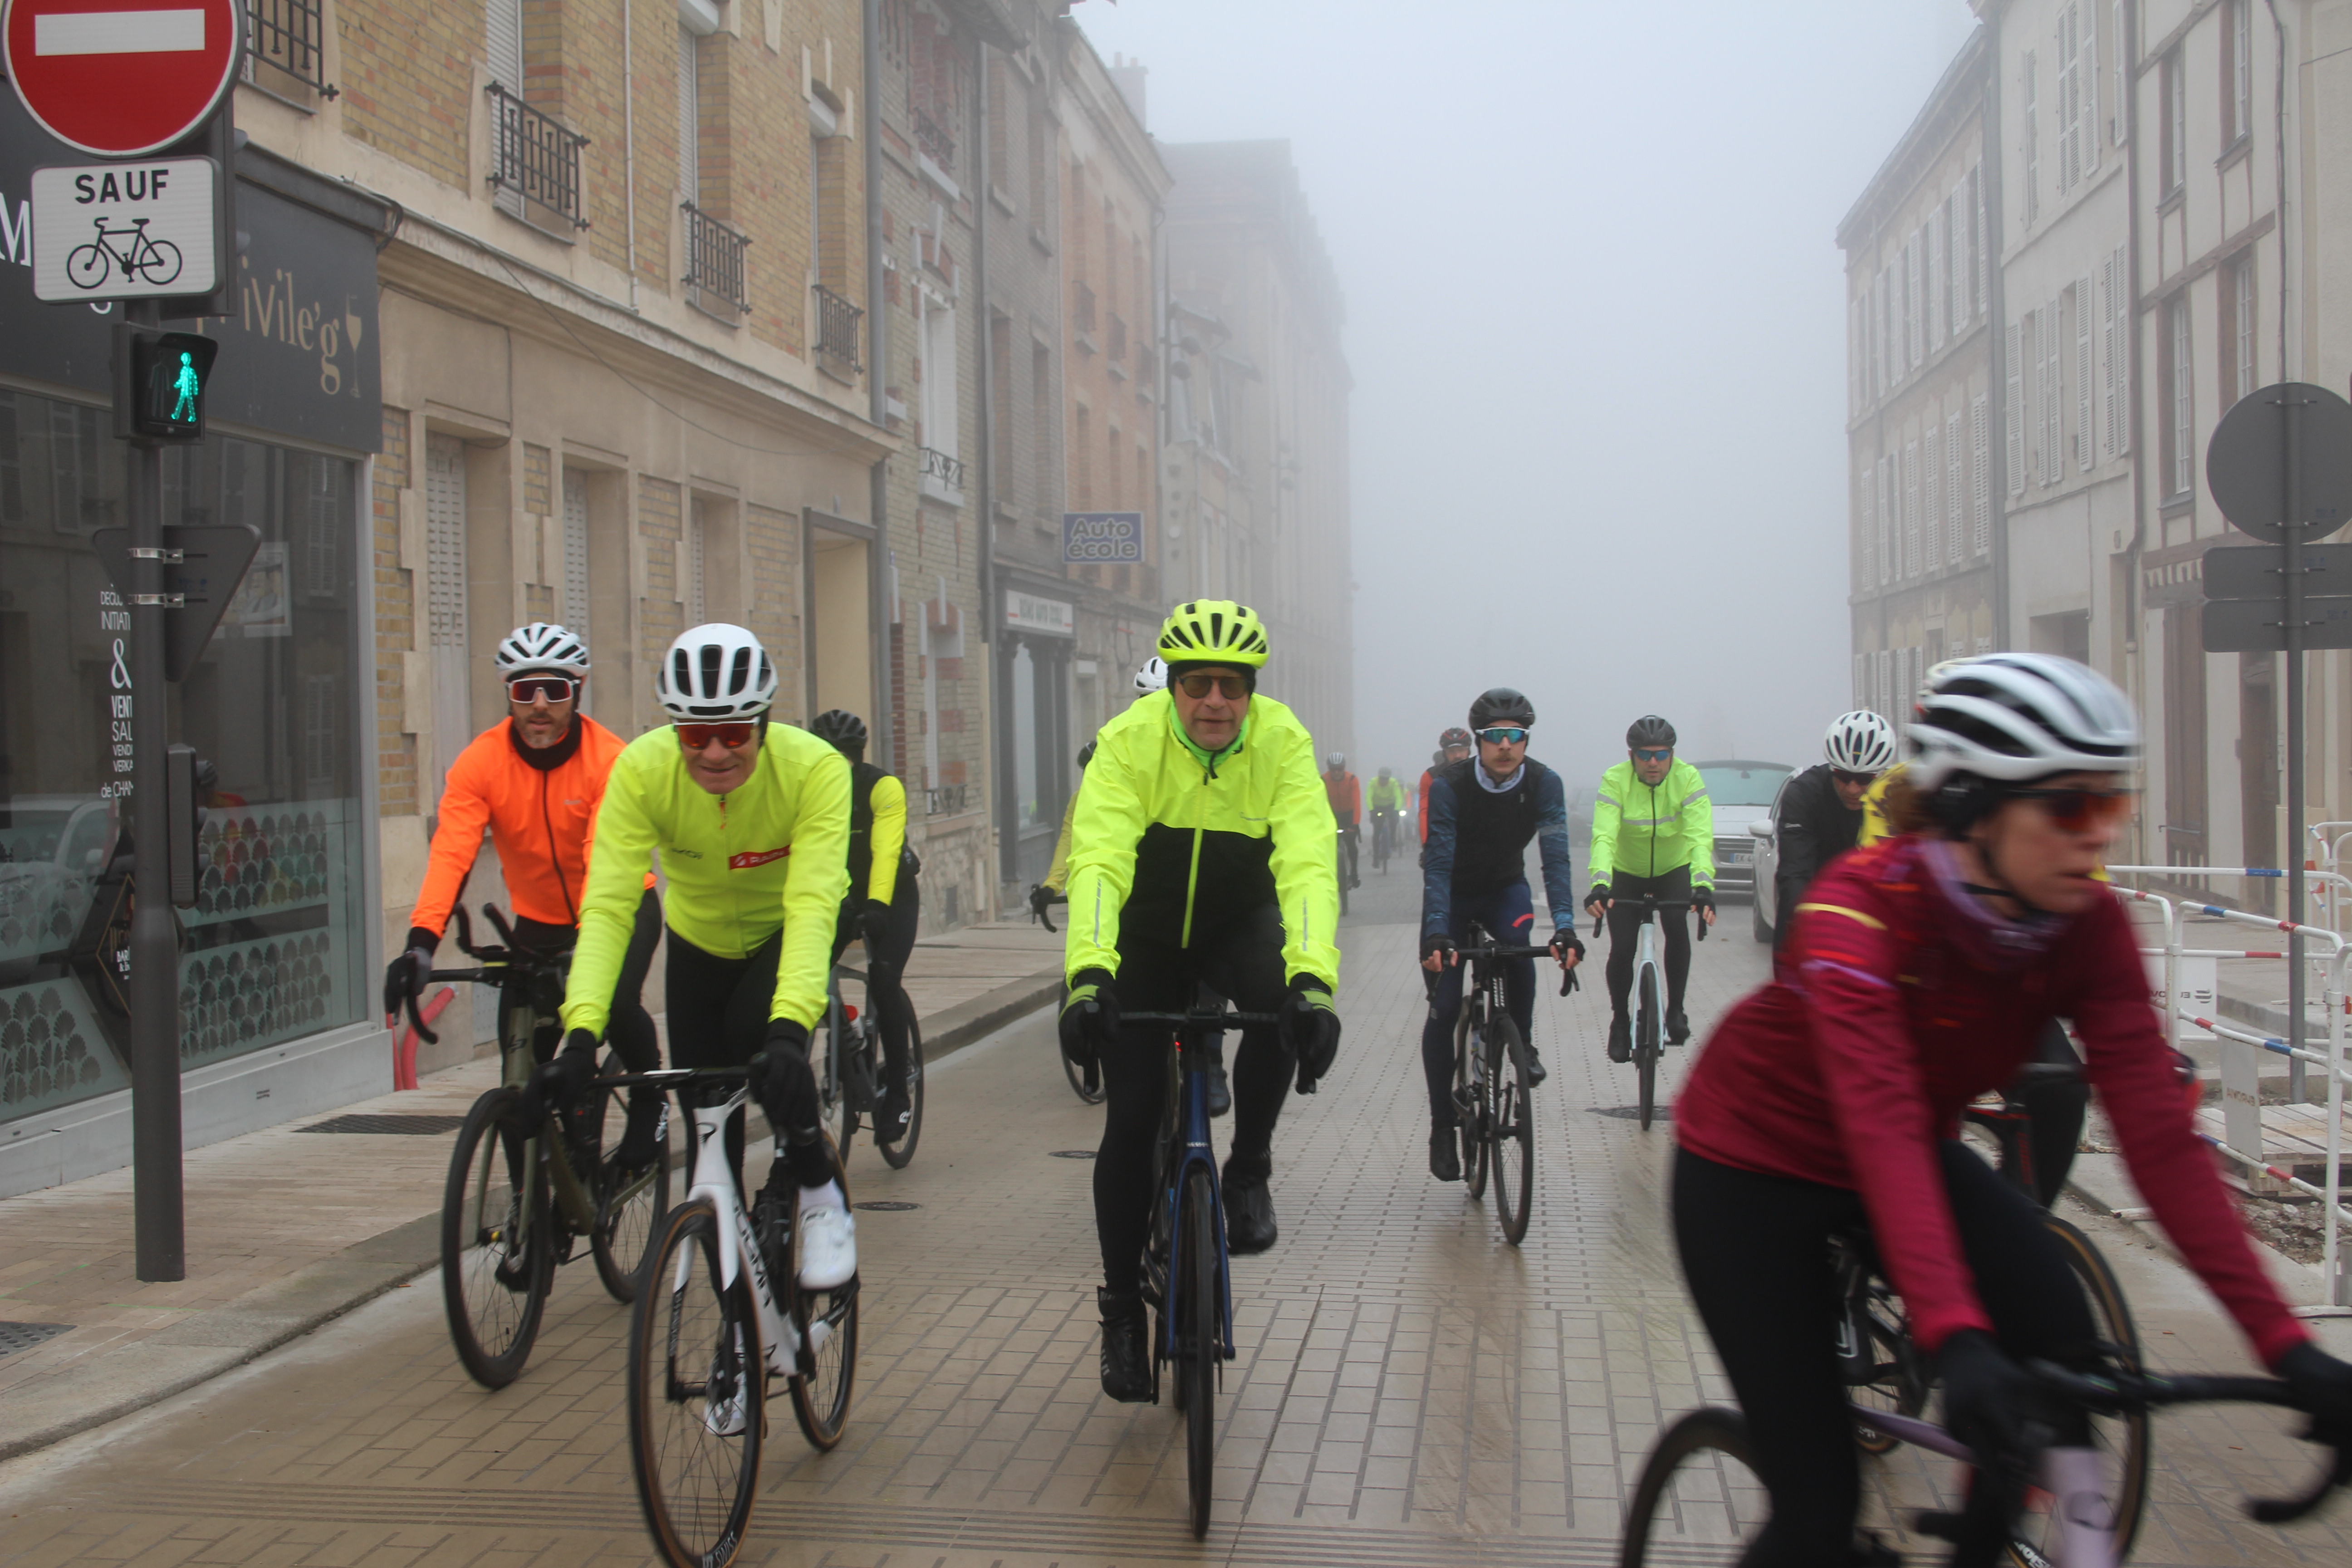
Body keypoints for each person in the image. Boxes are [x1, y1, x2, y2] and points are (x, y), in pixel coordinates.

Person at [1671, 652, 2352, 1563]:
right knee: (1818, 1506)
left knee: (2064, 1350)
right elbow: (1881, 1123)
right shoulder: (1858, 913)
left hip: (1906, 1151)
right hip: (1750, 1173)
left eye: (2111, 804)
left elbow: (2159, 1140)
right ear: (1973, 809)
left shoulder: (2085, 926)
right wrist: (1954, 1334)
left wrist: (2284, 1344)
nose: (2097, 834)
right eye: (2069, 807)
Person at [1058, 599, 1342, 1401]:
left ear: (1251, 689)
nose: (1215, 701)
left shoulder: (1283, 741)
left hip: (1234, 924)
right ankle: (1120, 1308)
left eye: (1232, 685)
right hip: (1144, 936)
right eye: (1197, 684)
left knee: (1280, 1005)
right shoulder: (1128, 743)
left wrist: (1313, 982)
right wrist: (1088, 975)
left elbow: (1307, 864)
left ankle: (1247, 1167)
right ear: (1174, 686)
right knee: (1132, 1117)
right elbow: (1098, 861)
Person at [544, 623, 858, 1292]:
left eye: (735, 733)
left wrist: (790, 1029)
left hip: (783, 934)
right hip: (697, 945)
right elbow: (609, 907)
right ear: (675, 731)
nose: (714, 753)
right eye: (694, 736)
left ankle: (819, 1192)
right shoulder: (641, 772)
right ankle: (733, 1292)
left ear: (763, 724)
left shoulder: (815, 770)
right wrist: (581, 1033)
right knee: (706, 1117)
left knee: (765, 1054)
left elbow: (812, 905)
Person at [383, 622, 664, 1166]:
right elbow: (452, 853)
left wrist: (593, 952)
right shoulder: (481, 763)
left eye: (554, 691)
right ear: (508, 694)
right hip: (538, 922)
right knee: (519, 1075)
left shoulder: (610, 760)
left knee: (615, 1002)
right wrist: (421, 941)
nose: (539, 705)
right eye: (524, 690)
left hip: (622, 906)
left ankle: (651, 1103)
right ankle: (526, 1202)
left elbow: (604, 864)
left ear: (577, 691)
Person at [1416, 688, 1583, 1179]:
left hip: (1505, 889)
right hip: (1453, 896)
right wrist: (1436, 933)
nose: (1506, 746)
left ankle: (1522, 1043)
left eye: (1515, 736)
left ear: (1526, 740)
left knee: (1517, 950)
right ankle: (1442, 1126)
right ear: (1478, 741)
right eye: (1494, 736)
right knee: (1446, 1007)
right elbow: (1438, 864)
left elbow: (1556, 860)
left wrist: (1566, 926)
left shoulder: (1544, 783)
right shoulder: (1449, 785)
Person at [808, 710, 921, 1145]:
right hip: (840, 896)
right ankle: (840, 1051)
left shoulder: (882, 787)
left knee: (883, 981)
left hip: (892, 895)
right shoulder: (808, 790)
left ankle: (898, 1093)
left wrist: (876, 905)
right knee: (807, 977)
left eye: (847, 758)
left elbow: (886, 851)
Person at [1585, 715, 1715, 1060]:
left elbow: (1700, 837)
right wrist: (1601, 883)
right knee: (1623, 947)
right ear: (1632, 755)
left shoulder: (1688, 778)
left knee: (1675, 924)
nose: (1653, 763)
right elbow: (1604, 836)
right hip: (1626, 871)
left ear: (1672, 755)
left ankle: (1676, 1010)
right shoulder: (1615, 780)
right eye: (1644, 755)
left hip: (1673, 868)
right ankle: (1620, 1020)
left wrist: (1703, 886)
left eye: (1661, 754)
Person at [1768, 710, 1898, 954]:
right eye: (1843, 777)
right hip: (1816, 892)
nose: (1852, 789)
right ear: (1832, 768)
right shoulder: (1804, 793)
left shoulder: (1895, 798)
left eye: (1864, 780)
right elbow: (1795, 873)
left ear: (1881, 775)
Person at [1419, 727, 1473, 848]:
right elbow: (1426, 812)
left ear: (1468, 751)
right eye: (1452, 751)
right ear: (1445, 753)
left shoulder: (1481, 772)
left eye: (1461, 750)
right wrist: (1426, 844)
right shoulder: (1431, 776)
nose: (1457, 755)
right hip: (1444, 836)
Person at [1323, 752, 1362, 890]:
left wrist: (1355, 825)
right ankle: (1330, 875)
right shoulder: (1323, 780)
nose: (1336, 773)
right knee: (1328, 847)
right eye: (1333, 769)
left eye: (1340, 769)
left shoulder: (1352, 780)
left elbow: (1357, 804)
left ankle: (1354, 873)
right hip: (1332, 814)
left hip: (1349, 815)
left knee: (1351, 845)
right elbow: (1320, 803)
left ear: (1344, 768)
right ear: (1329, 769)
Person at [1367, 766, 1406, 867]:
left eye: (1386, 779)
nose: (1384, 781)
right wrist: (1371, 810)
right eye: (1382, 778)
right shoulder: (1373, 782)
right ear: (1379, 777)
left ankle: (1392, 839)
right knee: (1377, 832)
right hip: (1377, 807)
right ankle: (1376, 857)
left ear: (1389, 778)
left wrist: (1397, 810)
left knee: (1394, 820)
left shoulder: (1394, 783)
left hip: (1390, 806)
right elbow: (1368, 797)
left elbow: (1399, 797)